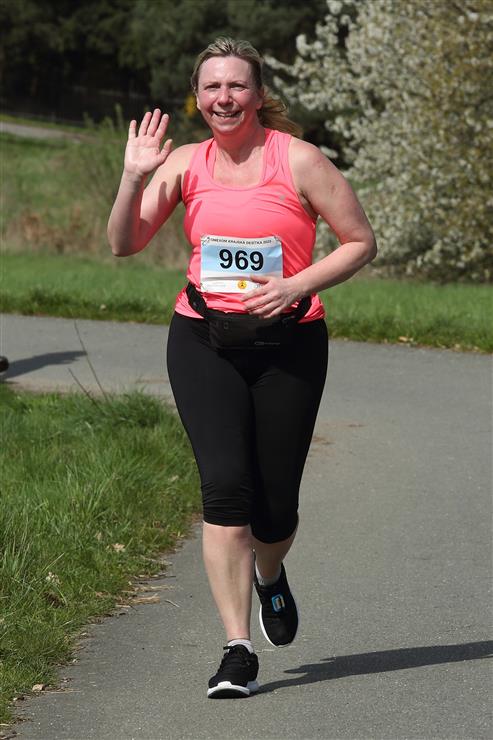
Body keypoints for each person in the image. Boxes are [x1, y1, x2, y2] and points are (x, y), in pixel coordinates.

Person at [107, 36, 376, 699]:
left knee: (274, 510)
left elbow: (360, 242)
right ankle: (237, 648)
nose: (223, 98)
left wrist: (294, 285)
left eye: (236, 86)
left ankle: (269, 574)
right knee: (225, 491)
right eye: (211, 87)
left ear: (258, 95)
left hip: (289, 342)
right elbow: (123, 243)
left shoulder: (299, 159)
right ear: (196, 99)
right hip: (202, 339)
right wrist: (134, 175)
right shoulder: (182, 163)